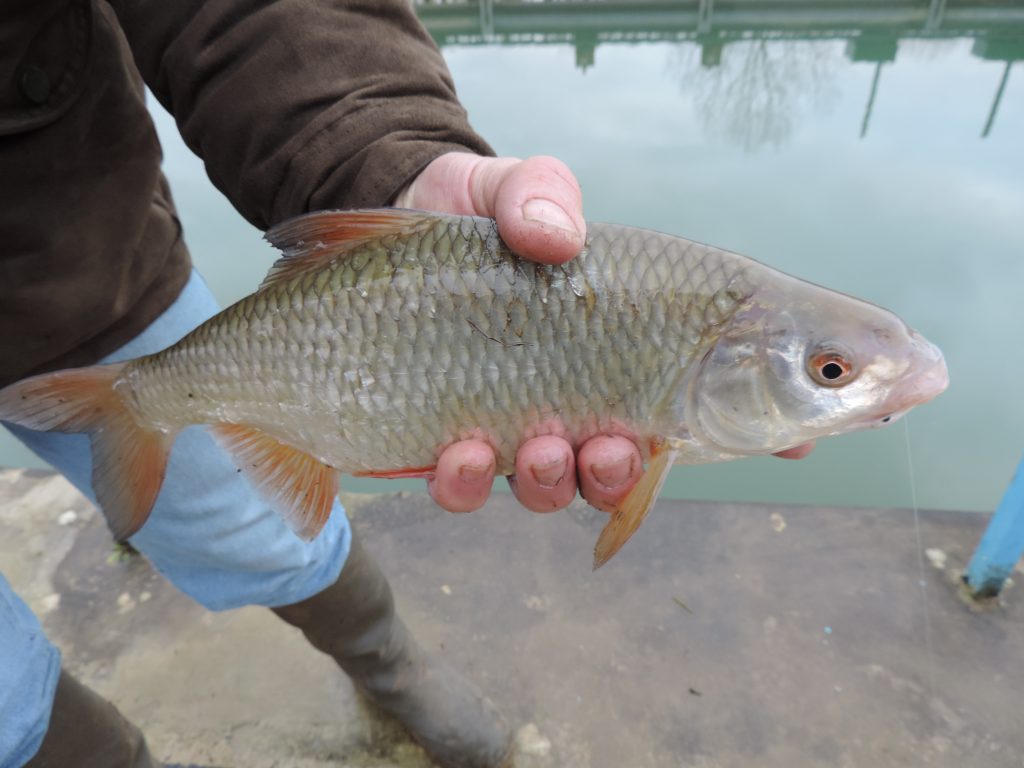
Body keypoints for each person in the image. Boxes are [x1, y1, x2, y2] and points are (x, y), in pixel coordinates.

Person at [0, 2, 811, 766]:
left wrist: (389, 165)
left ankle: (382, 660)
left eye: (827, 371)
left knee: (254, 524)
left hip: (84, 266)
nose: (838, 387)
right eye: (829, 373)